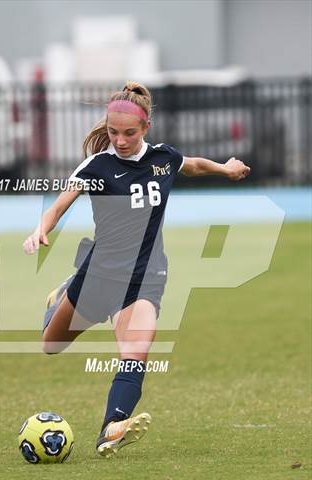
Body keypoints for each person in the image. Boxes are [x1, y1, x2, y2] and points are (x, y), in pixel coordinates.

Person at [23, 81, 250, 458]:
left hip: (145, 278)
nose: (120, 140)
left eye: (129, 133)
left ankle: (111, 428)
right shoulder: (98, 165)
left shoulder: (163, 158)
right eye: (113, 133)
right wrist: (40, 230)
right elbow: (59, 205)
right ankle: (61, 294)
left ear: (146, 128)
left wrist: (225, 168)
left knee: (136, 351)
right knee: (51, 345)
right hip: (98, 276)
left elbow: (190, 165)